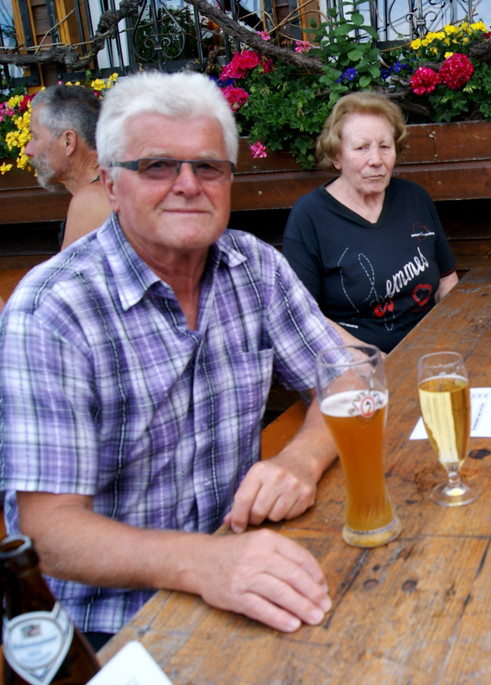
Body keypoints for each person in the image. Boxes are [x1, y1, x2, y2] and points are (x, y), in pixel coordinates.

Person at [0, 71, 345, 648]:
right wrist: (204, 562)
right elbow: (48, 532)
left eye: (208, 166)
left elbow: (346, 376)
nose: (188, 184)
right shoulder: (53, 310)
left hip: (237, 568)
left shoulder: (254, 267)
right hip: (105, 627)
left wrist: (301, 461)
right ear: (111, 184)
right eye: (157, 166)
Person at [283, 91, 459, 354]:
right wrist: (374, 361)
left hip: (430, 349)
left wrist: (450, 338)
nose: (376, 160)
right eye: (361, 148)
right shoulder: (310, 216)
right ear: (336, 156)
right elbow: (304, 316)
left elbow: (447, 281)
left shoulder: (414, 198)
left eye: (385, 147)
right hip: (355, 360)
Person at [24, 84, 112, 249]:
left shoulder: (93, 201)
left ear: (68, 142)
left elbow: (68, 268)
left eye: (35, 137)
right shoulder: (111, 187)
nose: (27, 150)